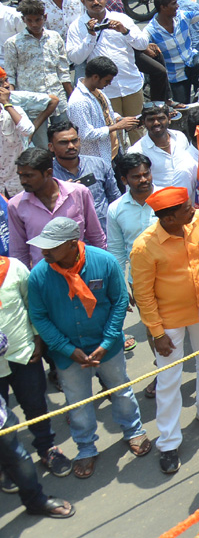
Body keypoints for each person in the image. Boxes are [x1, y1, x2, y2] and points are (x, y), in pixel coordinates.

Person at [25, 217, 150, 477]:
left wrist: (107, 342)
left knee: (121, 390)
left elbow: (118, 303)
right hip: (67, 355)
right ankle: (86, 449)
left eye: (51, 247)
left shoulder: (104, 262)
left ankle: (134, 430)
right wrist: (66, 348)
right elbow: (39, 316)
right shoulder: (38, 276)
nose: (43, 252)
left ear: (73, 244)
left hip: (109, 348)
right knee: (78, 403)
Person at [129, 186, 199, 474]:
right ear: (169, 219)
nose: (194, 209)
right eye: (186, 208)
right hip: (169, 319)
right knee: (169, 380)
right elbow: (144, 294)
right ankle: (169, 442)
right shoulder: (144, 247)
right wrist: (157, 333)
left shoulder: (198, 220)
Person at [0, 253, 73, 478]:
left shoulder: (12, 268)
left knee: (35, 404)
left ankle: (46, 448)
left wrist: (37, 338)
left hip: (24, 353)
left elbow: (32, 305)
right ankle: (7, 464)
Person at [0, 324, 74, 516]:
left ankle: (35, 500)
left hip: (22, 355)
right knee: (16, 457)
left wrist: (36, 338)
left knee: (18, 454)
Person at [65, 0, 151, 131]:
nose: (96, 2)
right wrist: (90, 37)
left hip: (131, 83)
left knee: (138, 129)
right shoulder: (77, 26)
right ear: (82, 2)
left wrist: (125, 31)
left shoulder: (121, 18)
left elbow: (143, 44)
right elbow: (75, 59)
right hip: (105, 91)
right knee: (112, 132)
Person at [8, 148, 106, 269]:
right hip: (45, 279)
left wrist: (103, 267)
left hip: (81, 271)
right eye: (20, 176)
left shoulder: (78, 193)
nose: (23, 181)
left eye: (29, 176)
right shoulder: (16, 205)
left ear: (48, 173)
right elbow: (18, 251)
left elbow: (96, 235)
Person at [48, 121, 119, 235]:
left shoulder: (98, 165)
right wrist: (60, 194)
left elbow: (115, 199)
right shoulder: (48, 176)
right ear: (51, 147)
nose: (71, 146)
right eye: (63, 143)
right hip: (69, 240)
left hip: (106, 235)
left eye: (74, 141)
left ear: (79, 141)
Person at [106, 152, 156, 286]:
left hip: (172, 277)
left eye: (146, 174)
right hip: (139, 280)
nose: (144, 179)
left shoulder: (167, 200)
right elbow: (116, 250)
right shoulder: (115, 209)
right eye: (136, 177)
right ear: (124, 180)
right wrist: (120, 285)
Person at [128, 103, 198, 198]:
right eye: (151, 120)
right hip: (159, 206)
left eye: (161, 118)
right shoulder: (137, 151)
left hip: (188, 201)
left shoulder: (180, 137)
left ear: (169, 119)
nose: (156, 123)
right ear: (144, 122)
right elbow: (133, 188)